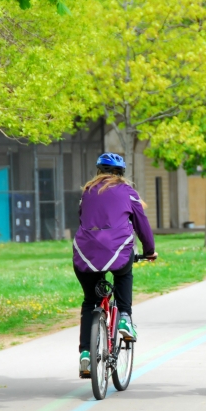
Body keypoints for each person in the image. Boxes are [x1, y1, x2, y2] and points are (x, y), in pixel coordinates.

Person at [73, 153, 157, 377]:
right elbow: (142, 224)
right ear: (121, 174)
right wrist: (149, 251)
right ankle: (125, 319)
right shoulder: (129, 193)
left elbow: (83, 219)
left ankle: (85, 355)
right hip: (117, 249)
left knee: (90, 301)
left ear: (99, 172)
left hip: (85, 251)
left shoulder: (87, 193)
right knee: (123, 274)